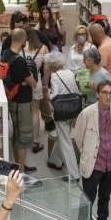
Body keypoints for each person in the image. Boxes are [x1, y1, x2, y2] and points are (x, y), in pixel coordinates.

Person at [72, 79, 111, 220]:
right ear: (97, 94)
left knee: (105, 197)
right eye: (104, 93)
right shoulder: (87, 113)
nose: (107, 96)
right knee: (88, 199)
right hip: (93, 163)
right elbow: (78, 138)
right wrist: (86, 156)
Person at [2, 28, 38, 174]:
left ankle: (17, 166)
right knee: (23, 137)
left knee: (16, 134)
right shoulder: (20, 61)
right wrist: (28, 79)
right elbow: (34, 84)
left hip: (12, 100)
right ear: (23, 39)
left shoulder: (5, 54)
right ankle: (21, 173)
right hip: (22, 103)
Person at [44, 51, 81, 180]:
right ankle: (55, 161)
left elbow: (56, 95)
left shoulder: (55, 76)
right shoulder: (70, 72)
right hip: (73, 110)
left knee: (66, 142)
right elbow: (76, 91)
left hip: (62, 112)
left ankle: (74, 175)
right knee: (62, 136)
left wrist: (48, 95)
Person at [22, 26, 49, 155]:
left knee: (24, 111)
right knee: (35, 111)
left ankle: (23, 138)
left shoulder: (20, 48)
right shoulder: (43, 48)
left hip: (23, 82)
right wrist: (45, 84)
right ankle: (36, 140)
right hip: (36, 81)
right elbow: (47, 69)